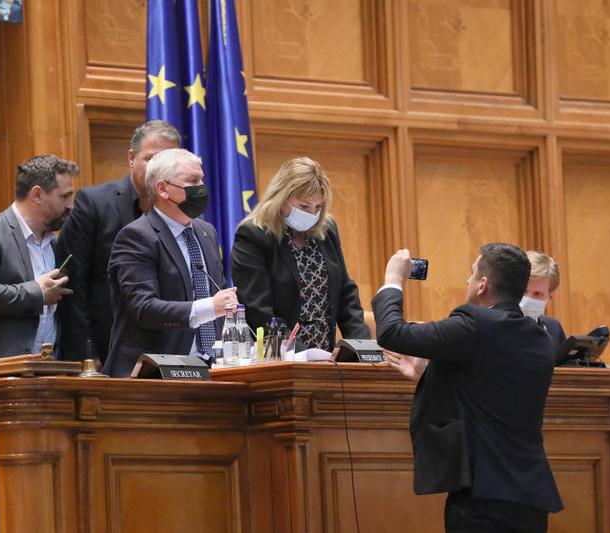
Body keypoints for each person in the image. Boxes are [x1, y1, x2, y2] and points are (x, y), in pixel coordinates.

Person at [374, 244, 563, 533]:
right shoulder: (540, 337)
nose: (468, 280)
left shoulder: (475, 324)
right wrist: (430, 373)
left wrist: (393, 280)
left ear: (483, 284)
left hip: (482, 497)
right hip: (531, 495)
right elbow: (492, 388)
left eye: (472, 273)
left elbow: (392, 332)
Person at [103, 148, 238, 377]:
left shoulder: (206, 232)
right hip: (151, 373)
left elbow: (218, 292)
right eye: (192, 181)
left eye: (202, 180)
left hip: (209, 370)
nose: (201, 188)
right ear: (162, 189)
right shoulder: (137, 237)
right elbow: (145, 309)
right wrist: (209, 307)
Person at [55, 120, 180, 362]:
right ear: (131, 158)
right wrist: (87, 356)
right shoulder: (93, 203)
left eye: (169, 161)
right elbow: (72, 284)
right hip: (106, 349)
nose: (160, 169)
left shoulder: (181, 211)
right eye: (151, 159)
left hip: (170, 349)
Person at [231, 157, 370, 351]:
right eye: (304, 206)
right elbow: (258, 310)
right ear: (281, 198)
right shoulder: (254, 235)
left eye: (318, 207)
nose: (312, 213)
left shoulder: (326, 229)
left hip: (325, 356)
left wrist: (361, 347)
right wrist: (301, 354)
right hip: (281, 356)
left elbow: (345, 292)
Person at [0, 155, 77, 357]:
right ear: (37, 195)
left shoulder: (57, 244)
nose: (71, 205)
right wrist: (37, 294)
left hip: (53, 372)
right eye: (64, 196)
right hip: (3, 373)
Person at [521, 250, 566, 345]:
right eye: (523, 291)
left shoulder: (553, 329)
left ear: (550, 297)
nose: (527, 299)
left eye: (537, 294)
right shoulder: (494, 327)